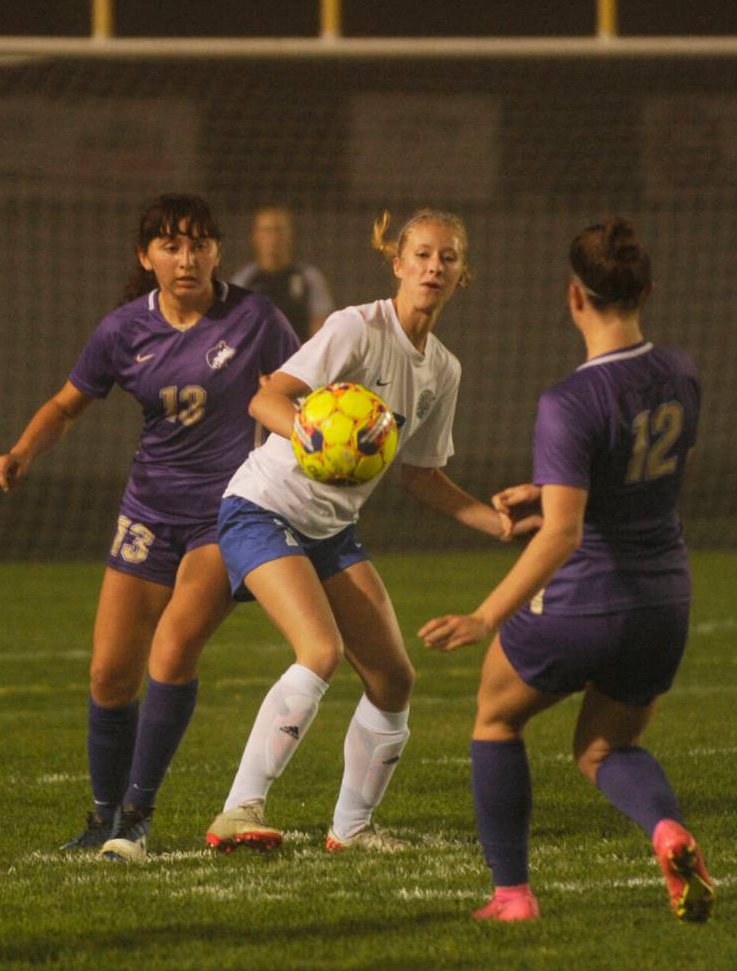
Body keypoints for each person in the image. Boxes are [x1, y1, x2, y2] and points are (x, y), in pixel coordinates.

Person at [0, 193, 299, 861]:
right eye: (170, 245)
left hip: (228, 513)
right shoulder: (124, 329)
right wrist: (20, 452)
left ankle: (137, 814)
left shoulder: (256, 318)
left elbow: (302, 389)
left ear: (218, 250)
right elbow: (67, 405)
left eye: (200, 244)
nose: (186, 259)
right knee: (108, 675)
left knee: (173, 650)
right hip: (147, 515)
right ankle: (103, 817)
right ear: (145, 255)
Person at [419, 218, 715, 923]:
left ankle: (512, 894)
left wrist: (485, 614)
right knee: (606, 746)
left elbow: (562, 535)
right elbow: (661, 475)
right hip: (664, 602)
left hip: (584, 600)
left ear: (573, 297)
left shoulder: (569, 400)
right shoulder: (682, 371)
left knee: (495, 718)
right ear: (646, 289)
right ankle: (668, 830)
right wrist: (550, 486)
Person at [206, 208, 525, 854]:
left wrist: (498, 524)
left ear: (462, 274)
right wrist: (318, 434)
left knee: (392, 676)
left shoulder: (443, 370)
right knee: (318, 651)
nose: (435, 266)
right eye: (424, 255)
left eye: (450, 257)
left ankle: (350, 830)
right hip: (262, 505)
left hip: (330, 529)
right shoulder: (357, 325)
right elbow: (266, 397)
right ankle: (238, 811)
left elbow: (422, 476)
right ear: (399, 263)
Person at [231, 204, 334, 340]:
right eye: (266, 230)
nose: (273, 237)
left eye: (278, 230)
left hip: (300, 358)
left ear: (290, 234)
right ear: (255, 236)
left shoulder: (309, 278)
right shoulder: (243, 281)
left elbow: (321, 331)